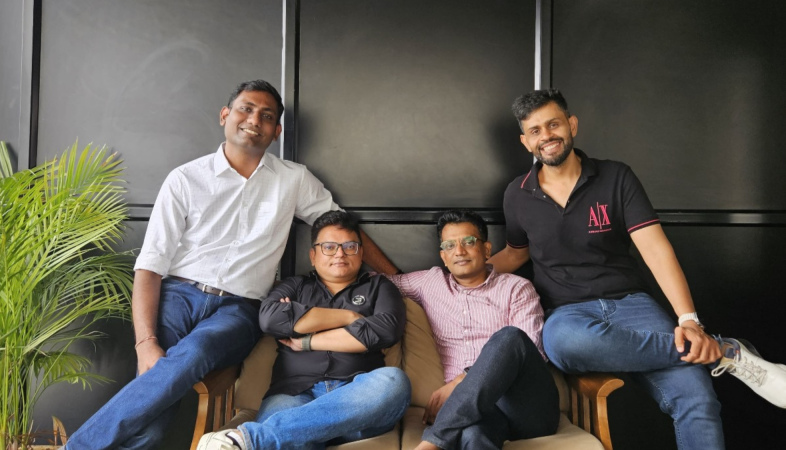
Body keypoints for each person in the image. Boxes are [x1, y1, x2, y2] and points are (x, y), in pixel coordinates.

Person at [63, 80, 398, 450]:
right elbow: (150, 266)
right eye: (246, 109)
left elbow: (344, 229)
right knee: (151, 426)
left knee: (196, 351)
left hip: (238, 310)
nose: (254, 120)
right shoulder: (185, 179)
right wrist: (146, 343)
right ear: (225, 115)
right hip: (176, 297)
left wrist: (397, 276)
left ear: (276, 131)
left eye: (266, 116)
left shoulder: (294, 179)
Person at [488, 89, 786, 450]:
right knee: (563, 344)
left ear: (571, 125)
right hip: (569, 315)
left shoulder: (615, 176)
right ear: (526, 142)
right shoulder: (517, 194)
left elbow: (655, 250)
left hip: (633, 305)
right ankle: (721, 351)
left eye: (553, 124)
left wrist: (689, 321)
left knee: (698, 398)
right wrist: (456, 272)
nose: (547, 136)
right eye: (536, 130)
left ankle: (707, 347)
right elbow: (516, 254)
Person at [198, 210, 410, 450]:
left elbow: (386, 330)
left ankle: (249, 439)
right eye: (329, 247)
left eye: (349, 246)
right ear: (313, 255)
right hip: (293, 394)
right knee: (291, 431)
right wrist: (350, 317)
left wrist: (306, 340)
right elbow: (270, 319)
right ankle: (294, 431)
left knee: (394, 382)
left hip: (356, 400)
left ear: (360, 253)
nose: (340, 253)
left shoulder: (379, 286)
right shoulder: (294, 285)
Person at [381, 210, 559, 450]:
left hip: (526, 406)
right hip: (473, 414)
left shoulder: (516, 288)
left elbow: (529, 349)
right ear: (443, 257)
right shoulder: (430, 283)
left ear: (486, 249)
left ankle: (430, 443)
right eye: (449, 245)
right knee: (473, 435)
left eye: (468, 242)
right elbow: (376, 283)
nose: (459, 251)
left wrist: (462, 380)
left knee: (509, 337)